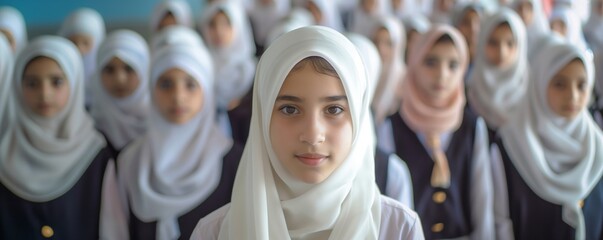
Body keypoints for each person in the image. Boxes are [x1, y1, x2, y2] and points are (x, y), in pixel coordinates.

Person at [190, 25, 424, 240]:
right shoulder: (215, 233)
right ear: (262, 117)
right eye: (290, 109)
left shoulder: (398, 229)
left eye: (334, 109)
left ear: (359, 118)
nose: (313, 135)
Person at [101, 44, 243, 240]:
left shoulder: (235, 162)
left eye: (190, 84)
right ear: (151, 89)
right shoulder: (130, 161)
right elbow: (115, 230)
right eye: (166, 84)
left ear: (207, 91)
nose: (178, 96)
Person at [380, 25, 495, 239]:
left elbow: (482, 198)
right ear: (413, 63)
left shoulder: (472, 126)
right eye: (430, 62)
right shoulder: (392, 126)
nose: (442, 74)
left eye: (453, 65)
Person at [0, 36, 115, 239]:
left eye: (57, 82)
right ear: (17, 86)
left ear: (75, 83)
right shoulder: (5, 150)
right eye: (32, 83)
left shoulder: (96, 153)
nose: (45, 93)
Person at [492, 36, 603, 240]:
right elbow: (501, 222)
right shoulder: (511, 144)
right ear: (540, 84)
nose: (573, 96)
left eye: (581, 85)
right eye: (560, 84)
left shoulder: (597, 146)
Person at [89, 30, 151, 152]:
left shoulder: (160, 122)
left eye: (129, 69)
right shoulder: (88, 128)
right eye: (109, 70)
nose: (119, 79)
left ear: (144, 71)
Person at [58, 8, 106, 107]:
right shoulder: (57, 68)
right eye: (73, 42)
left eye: (86, 43)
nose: (79, 48)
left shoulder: (108, 71)